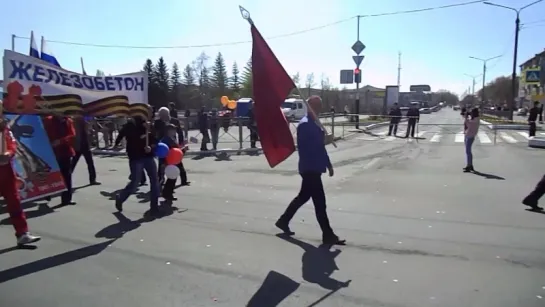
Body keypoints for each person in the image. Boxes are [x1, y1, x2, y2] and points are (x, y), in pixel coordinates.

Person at [275, 95, 345, 246]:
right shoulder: (306, 124)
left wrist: (329, 164)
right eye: (316, 106)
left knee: (303, 197)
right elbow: (309, 148)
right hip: (309, 168)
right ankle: (328, 235)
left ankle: (283, 220)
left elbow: (319, 147)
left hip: (314, 167)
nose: (319, 109)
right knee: (320, 203)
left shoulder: (315, 123)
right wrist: (324, 141)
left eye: (320, 106)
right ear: (309, 107)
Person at [0, 109, 41, 245]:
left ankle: (22, 233)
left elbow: (12, 144)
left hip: (6, 171)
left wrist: (8, 154)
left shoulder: (4, 128)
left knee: (14, 201)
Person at [114, 116, 160, 215]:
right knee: (135, 182)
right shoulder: (131, 125)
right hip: (136, 157)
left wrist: (151, 147)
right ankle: (120, 198)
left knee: (155, 180)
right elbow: (124, 135)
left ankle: (154, 207)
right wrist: (116, 143)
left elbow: (155, 140)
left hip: (148, 156)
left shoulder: (149, 125)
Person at [43, 114, 76, 205]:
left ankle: (66, 199)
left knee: (67, 176)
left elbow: (72, 135)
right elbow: (42, 134)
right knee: (51, 175)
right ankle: (47, 193)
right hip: (51, 152)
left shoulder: (68, 121)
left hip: (65, 152)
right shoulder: (48, 120)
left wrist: (61, 141)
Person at [154, 107, 187, 186]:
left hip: (173, 144)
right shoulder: (157, 122)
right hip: (162, 145)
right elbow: (154, 133)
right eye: (161, 115)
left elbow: (180, 132)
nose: (162, 117)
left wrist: (181, 143)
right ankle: (161, 179)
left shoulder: (174, 121)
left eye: (164, 115)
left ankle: (184, 180)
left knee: (178, 162)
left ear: (168, 114)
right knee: (162, 163)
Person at [115, 118, 147, 186]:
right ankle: (140, 178)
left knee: (135, 163)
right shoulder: (132, 125)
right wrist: (116, 143)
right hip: (134, 147)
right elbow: (121, 135)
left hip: (135, 147)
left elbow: (120, 135)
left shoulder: (135, 125)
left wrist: (116, 144)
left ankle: (137, 177)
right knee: (137, 162)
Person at [161, 124, 188, 200]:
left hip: (173, 160)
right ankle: (167, 194)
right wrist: (183, 149)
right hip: (170, 161)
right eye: (173, 130)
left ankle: (167, 193)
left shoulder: (170, 139)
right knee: (172, 178)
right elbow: (172, 151)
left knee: (172, 177)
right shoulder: (167, 140)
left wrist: (183, 147)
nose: (175, 131)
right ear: (169, 131)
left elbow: (176, 150)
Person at [71, 117, 99, 185]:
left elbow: (89, 132)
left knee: (90, 163)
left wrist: (90, 125)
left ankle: (92, 180)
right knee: (72, 164)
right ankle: (65, 179)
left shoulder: (86, 122)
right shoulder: (74, 121)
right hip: (78, 146)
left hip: (85, 145)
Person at [463, 108, 480, 173]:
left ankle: (469, 166)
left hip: (470, 137)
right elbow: (466, 125)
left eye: (472, 112)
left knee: (468, 152)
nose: (471, 113)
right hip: (468, 136)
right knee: (468, 152)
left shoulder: (476, 120)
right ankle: (469, 165)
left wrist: (466, 118)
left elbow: (469, 124)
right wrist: (466, 118)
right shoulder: (473, 119)